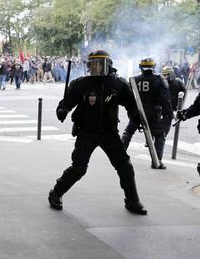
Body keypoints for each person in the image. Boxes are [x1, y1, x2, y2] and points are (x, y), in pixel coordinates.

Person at [48, 50, 147, 215]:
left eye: (98, 64)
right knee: (79, 167)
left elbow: (132, 105)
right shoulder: (81, 83)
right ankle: (55, 193)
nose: (95, 68)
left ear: (107, 65)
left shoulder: (118, 84)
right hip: (86, 132)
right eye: (92, 64)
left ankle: (132, 200)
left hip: (109, 133)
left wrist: (137, 118)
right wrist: (62, 109)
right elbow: (68, 101)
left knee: (125, 166)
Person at [121, 58, 173, 169]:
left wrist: (131, 112)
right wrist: (169, 112)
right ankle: (156, 161)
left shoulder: (134, 79)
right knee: (159, 136)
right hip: (153, 113)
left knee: (128, 133)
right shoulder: (159, 79)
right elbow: (165, 99)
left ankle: (119, 156)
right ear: (153, 67)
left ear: (140, 67)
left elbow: (128, 99)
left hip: (137, 113)